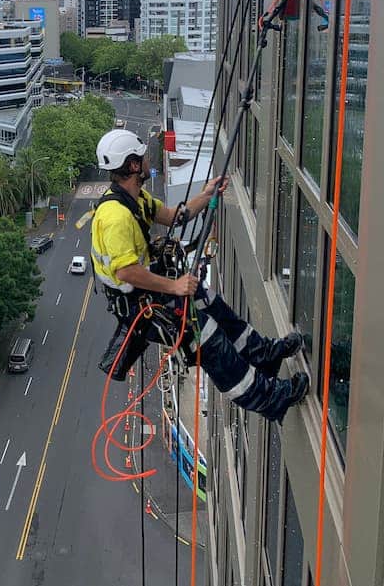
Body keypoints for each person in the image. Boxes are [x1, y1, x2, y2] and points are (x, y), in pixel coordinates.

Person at [91, 129, 309, 424]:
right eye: (142, 156)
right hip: (138, 305)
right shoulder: (115, 216)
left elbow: (173, 216)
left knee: (210, 302)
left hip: (147, 293)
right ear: (132, 166)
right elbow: (126, 271)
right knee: (208, 337)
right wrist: (175, 286)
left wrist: (205, 196)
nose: (147, 158)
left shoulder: (134, 199)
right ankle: (271, 400)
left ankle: (263, 354)